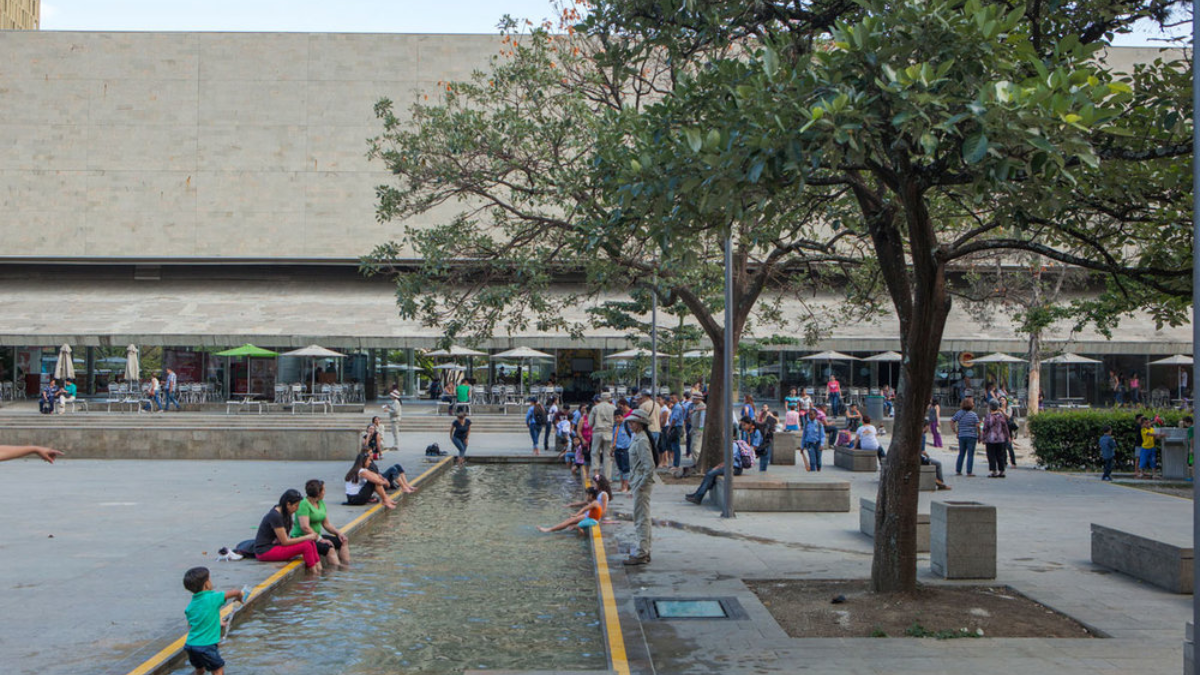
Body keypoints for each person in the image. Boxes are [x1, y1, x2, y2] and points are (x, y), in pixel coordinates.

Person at [182, 566, 246, 675]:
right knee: (218, 670)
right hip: (206, 646)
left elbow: (195, 623)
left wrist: (217, 622)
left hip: (190, 645)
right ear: (206, 584)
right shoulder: (213, 597)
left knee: (200, 669)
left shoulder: (190, 606)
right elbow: (236, 592)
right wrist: (239, 598)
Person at [253, 489, 323, 572]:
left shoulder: (285, 513)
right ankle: (314, 575)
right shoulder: (275, 516)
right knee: (306, 546)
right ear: (288, 504)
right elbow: (285, 542)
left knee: (311, 543)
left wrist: (308, 538)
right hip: (265, 551)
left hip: (275, 546)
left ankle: (319, 570)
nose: (297, 509)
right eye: (296, 506)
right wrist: (307, 537)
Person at [293, 479, 350, 567]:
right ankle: (336, 572)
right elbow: (305, 527)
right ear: (318, 493)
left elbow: (326, 524)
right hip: (304, 538)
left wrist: (339, 533)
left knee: (343, 541)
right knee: (329, 549)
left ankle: (346, 567)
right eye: (323, 490)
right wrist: (320, 539)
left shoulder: (320, 502)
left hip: (317, 536)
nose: (325, 492)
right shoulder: (303, 504)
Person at [623, 408, 655, 566]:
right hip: (637, 481)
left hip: (641, 483)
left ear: (641, 424)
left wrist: (641, 485)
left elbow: (649, 466)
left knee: (641, 518)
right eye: (630, 421)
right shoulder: (637, 438)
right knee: (643, 517)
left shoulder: (642, 440)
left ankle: (642, 552)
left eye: (633, 422)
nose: (630, 424)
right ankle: (645, 550)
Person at [537, 486, 606, 533]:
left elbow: (584, 509)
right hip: (590, 517)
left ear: (591, 495)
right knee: (569, 522)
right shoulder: (594, 502)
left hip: (591, 519)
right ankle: (553, 529)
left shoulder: (594, 503)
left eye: (587, 495)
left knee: (569, 521)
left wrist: (576, 515)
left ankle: (548, 530)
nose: (586, 496)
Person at [588, 392, 617, 481]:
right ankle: (607, 477)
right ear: (609, 399)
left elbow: (590, 423)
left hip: (597, 432)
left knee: (595, 453)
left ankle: (596, 474)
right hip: (609, 432)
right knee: (608, 455)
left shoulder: (595, 408)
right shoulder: (613, 408)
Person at [981, 399, 1011, 478]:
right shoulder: (1001, 416)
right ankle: (1002, 471)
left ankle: (994, 471)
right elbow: (1005, 427)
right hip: (1000, 438)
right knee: (1000, 455)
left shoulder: (988, 417)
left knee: (991, 455)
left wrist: (983, 438)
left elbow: (985, 428)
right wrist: (1007, 436)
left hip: (990, 439)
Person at [951, 398, 980, 476]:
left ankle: (958, 470)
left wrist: (955, 431)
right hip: (972, 436)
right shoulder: (974, 414)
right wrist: (979, 434)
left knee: (961, 453)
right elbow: (977, 425)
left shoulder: (959, 413)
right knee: (970, 454)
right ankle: (969, 471)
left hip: (962, 435)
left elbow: (952, 421)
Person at [920, 421, 951, 490]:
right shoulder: (922, 435)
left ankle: (940, 483)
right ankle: (941, 483)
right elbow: (922, 451)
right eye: (928, 426)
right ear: (926, 426)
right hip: (920, 459)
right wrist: (928, 456)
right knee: (938, 464)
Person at [612, 397, 634, 493]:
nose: (617, 419)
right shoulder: (615, 426)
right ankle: (622, 485)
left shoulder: (626, 425)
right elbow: (614, 438)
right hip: (617, 449)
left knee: (626, 469)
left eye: (619, 417)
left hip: (625, 450)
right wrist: (612, 449)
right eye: (615, 418)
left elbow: (632, 435)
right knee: (620, 469)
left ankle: (626, 486)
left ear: (623, 416)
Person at [667, 393, 687, 468]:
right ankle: (674, 463)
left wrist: (670, 428)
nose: (671, 399)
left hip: (676, 427)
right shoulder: (675, 407)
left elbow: (675, 418)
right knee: (673, 445)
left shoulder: (677, 407)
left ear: (677, 399)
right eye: (670, 398)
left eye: (672, 398)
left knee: (676, 446)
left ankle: (676, 464)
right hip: (675, 427)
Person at [757, 405, 777, 471]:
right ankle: (762, 470)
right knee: (765, 457)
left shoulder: (767, 423)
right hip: (765, 442)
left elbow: (776, 420)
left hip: (766, 442)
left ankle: (762, 470)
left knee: (765, 457)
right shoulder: (761, 425)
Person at [385, 385, 402, 451]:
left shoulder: (396, 402)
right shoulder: (394, 402)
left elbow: (395, 411)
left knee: (395, 432)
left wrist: (388, 410)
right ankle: (395, 444)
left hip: (395, 419)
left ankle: (396, 445)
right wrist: (389, 406)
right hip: (394, 419)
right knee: (394, 432)